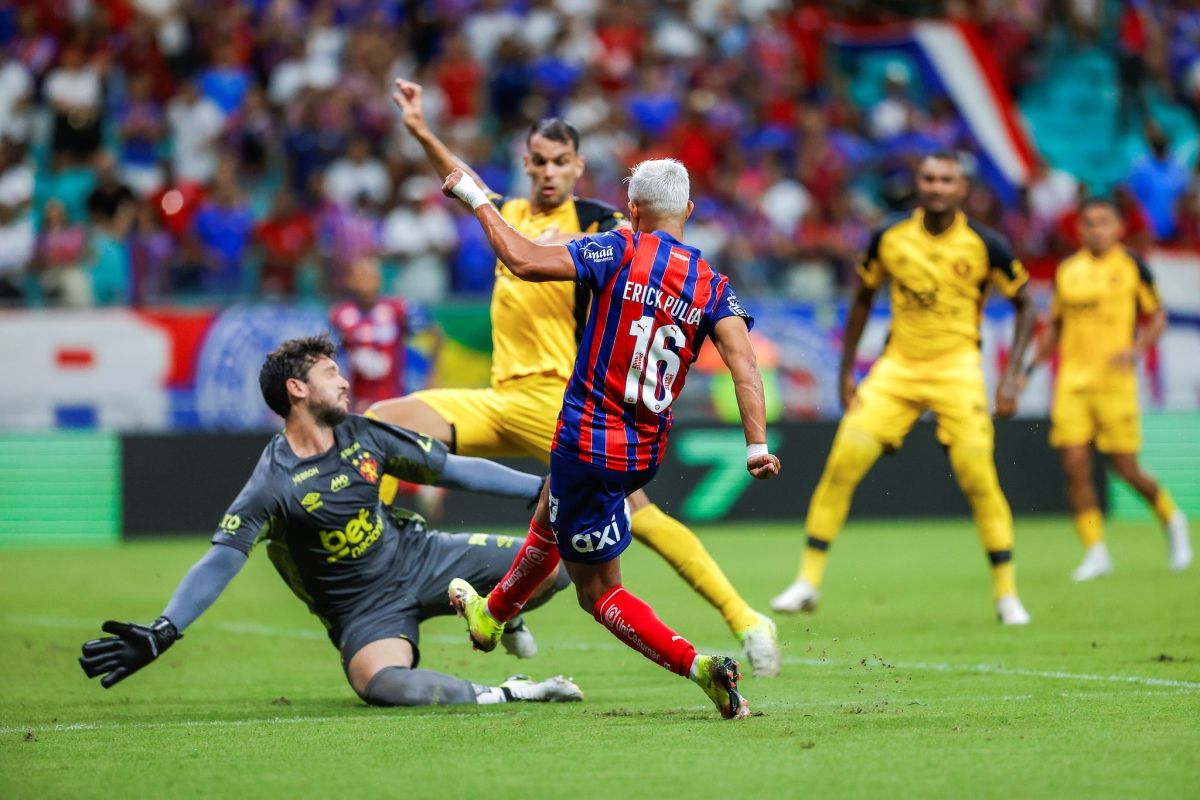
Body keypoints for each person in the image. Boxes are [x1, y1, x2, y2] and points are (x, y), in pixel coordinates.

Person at [368, 78, 781, 677]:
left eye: (561, 162)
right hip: (500, 395)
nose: (548, 172)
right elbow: (465, 184)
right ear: (525, 164)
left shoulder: (604, 225)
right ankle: (386, 568)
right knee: (381, 425)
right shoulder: (508, 213)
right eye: (537, 161)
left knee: (633, 520)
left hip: (565, 400)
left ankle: (744, 618)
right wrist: (422, 131)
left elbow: (640, 244)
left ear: (580, 168)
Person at [440, 159, 781, 720]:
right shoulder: (712, 284)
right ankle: (493, 617)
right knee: (554, 507)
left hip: (589, 443)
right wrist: (755, 446)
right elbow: (744, 366)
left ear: (633, 210)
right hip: (641, 454)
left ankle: (700, 667)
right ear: (688, 213)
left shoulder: (617, 248)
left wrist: (478, 198)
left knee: (598, 594)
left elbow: (523, 260)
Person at [79, 335, 580, 708]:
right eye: (330, 373)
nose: (344, 381)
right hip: (362, 611)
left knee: (555, 570)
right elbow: (221, 561)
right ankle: (514, 694)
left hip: (420, 556)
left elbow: (451, 469)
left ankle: (500, 612)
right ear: (297, 389)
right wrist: (165, 630)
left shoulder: (365, 435)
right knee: (381, 685)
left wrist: (540, 488)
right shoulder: (273, 484)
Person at [771, 152, 1038, 625]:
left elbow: (1026, 307)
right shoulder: (889, 237)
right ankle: (806, 582)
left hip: (958, 371)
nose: (936, 187)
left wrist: (1014, 376)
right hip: (897, 370)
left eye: (946, 180)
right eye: (929, 179)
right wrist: (845, 374)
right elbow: (860, 302)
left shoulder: (986, 245)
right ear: (919, 184)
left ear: (961, 189)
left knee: (978, 477)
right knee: (842, 464)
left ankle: (1007, 594)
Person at [1027, 198, 1192, 580]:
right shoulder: (1067, 271)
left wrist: (1136, 350)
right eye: (1088, 223)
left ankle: (1173, 521)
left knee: (1126, 469)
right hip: (1072, 383)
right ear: (1079, 230)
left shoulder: (1132, 266)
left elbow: (1157, 317)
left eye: (1103, 222)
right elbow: (1055, 324)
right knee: (1075, 466)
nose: (1095, 229)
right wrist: (1031, 367)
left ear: (1118, 228)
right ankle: (1096, 552)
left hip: (1114, 384)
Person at [330, 255, 439, 415]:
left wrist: (431, 376)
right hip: (358, 404)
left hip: (394, 399)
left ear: (379, 279)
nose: (365, 282)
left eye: (369, 276)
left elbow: (435, 335)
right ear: (350, 281)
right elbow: (330, 353)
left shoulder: (399, 309)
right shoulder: (340, 314)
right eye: (360, 276)